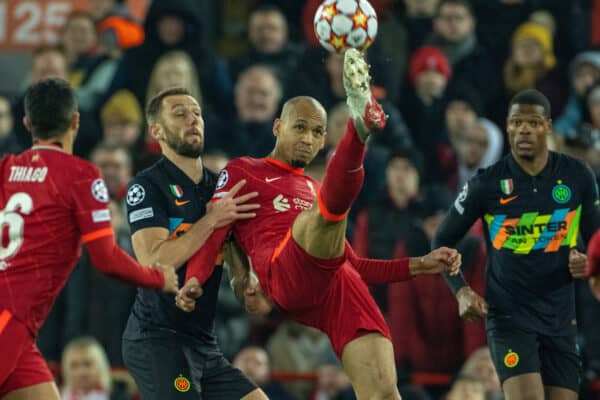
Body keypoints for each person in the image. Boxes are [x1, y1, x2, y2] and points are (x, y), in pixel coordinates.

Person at [176, 49, 461, 399]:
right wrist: (194, 279)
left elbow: (354, 265)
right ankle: (358, 131)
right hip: (284, 271)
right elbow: (215, 229)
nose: (308, 139)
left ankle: (358, 128)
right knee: (327, 212)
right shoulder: (243, 169)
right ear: (278, 127)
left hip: (335, 284)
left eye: (317, 132)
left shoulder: (312, 187)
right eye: (299, 127)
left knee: (386, 393)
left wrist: (421, 265)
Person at [0, 78, 179, 400]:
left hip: (19, 328)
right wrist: (157, 278)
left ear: (27, 124)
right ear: (75, 121)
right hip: (8, 317)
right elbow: (106, 258)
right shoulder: (80, 175)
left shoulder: (6, 168)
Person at [433, 89, 600, 400]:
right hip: (509, 318)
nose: (524, 129)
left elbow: (597, 240)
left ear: (549, 126)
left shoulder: (578, 176)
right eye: (517, 122)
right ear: (507, 127)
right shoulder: (486, 184)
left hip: (561, 319)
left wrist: (588, 263)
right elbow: (442, 239)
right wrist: (462, 290)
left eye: (534, 123)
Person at [121, 87, 266, 400]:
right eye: (179, 114)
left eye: (197, 113)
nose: (192, 120)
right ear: (156, 130)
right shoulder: (146, 187)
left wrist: (246, 284)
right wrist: (211, 219)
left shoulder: (220, 187)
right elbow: (153, 261)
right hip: (157, 339)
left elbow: (232, 251)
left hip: (203, 342)